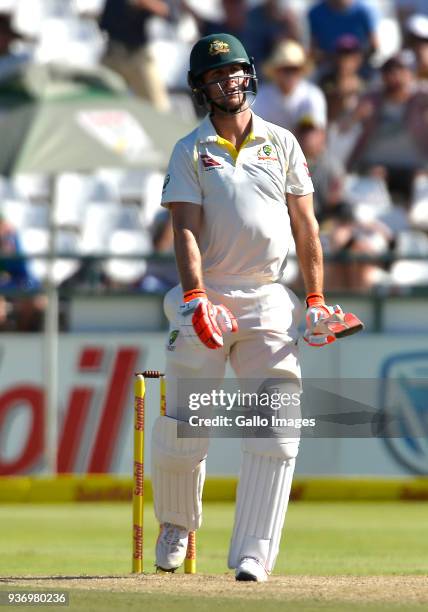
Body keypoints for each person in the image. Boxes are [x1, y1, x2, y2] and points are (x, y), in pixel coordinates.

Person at [151, 33, 362, 582]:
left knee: (276, 426)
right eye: (217, 76)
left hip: (269, 297)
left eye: (237, 72)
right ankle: (176, 523)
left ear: (249, 75)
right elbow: (185, 230)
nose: (230, 82)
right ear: (202, 88)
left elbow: (306, 227)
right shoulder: (190, 149)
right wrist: (195, 295)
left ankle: (254, 553)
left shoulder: (283, 143)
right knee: (184, 427)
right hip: (209, 296)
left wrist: (314, 299)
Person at [347, 50, 428, 202]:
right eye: (388, 70)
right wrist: (356, 118)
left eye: (400, 69)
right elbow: (342, 133)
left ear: (411, 74)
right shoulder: (370, 101)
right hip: (375, 169)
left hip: (415, 170)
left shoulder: (421, 100)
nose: (394, 75)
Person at [99, 0, 171, 111]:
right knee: (101, 105)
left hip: (138, 55)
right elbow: (105, 22)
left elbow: (164, 11)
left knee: (159, 109)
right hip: (113, 53)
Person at [253, 40, 327, 132]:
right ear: (276, 71)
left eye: (294, 69)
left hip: (300, 146)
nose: (290, 74)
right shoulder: (260, 97)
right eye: (286, 69)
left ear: (301, 71)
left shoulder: (312, 95)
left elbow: (314, 137)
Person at [308, 0, 379, 77]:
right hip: (328, 68)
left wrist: (353, 62)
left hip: (361, 69)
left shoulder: (365, 10)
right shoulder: (315, 13)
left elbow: (374, 45)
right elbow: (313, 49)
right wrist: (336, 62)